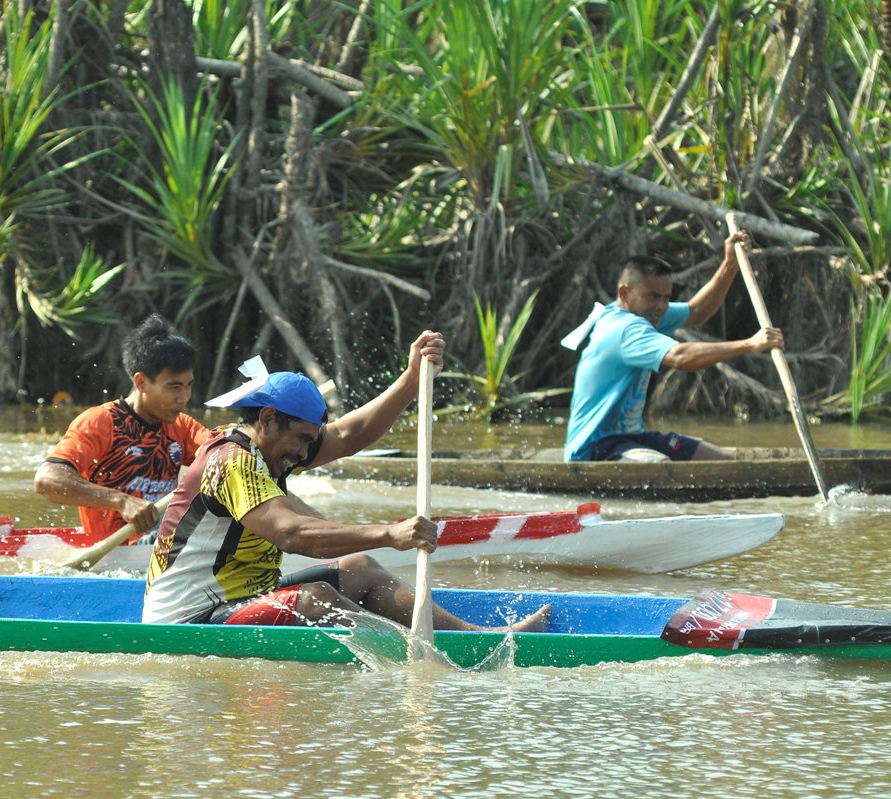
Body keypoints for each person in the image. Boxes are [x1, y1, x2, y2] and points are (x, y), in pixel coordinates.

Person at [142, 330, 552, 633]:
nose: (305, 454)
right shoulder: (232, 461)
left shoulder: (275, 449)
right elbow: (292, 534)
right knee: (318, 599)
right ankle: (415, 663)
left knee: (359, 568)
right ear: (267, 419)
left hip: (244, 596)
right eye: (301, 440)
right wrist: (389, 532)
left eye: (309, 442)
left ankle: (472, 639)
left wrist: (411, 379)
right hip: (189, 616)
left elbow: (349, 435)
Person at [562, 231, 784, 463]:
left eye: (666, 298)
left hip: (633, 438)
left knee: (721, 461)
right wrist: (749, 344)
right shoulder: (625, 329)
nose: (661, 306)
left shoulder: (644, 313)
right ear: (624, 293)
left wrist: (730, 263)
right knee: (662, 469)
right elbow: (681, 357)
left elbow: (698, 310)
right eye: (653, 297)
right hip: (595, 448)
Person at [33, 315, 212, 542]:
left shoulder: (181, 425)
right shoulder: (101, 422)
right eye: (174, 387)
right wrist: (122, 501)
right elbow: (46, 480)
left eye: (188, 386)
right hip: (118, 551)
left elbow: (222, 453)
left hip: (163, 541)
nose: (184, 398)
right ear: (141, 383)